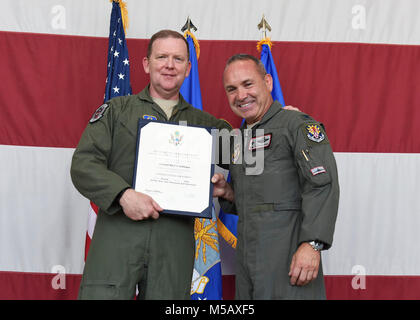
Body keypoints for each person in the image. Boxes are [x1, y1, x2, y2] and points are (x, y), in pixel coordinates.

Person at [70, 29, 231, 300]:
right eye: (162, 57)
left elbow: (253, 159)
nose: (170, 65)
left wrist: (279, 120)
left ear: (188, 68)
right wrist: (123, 195)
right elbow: (83, 165)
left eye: (178, 59)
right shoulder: (116, 111)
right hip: (118, 237)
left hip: (174, 245)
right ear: (146, 64)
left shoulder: (210, 126)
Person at [212, 54, 340, 299]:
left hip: (289, 260)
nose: (241, 95)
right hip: (248, 261)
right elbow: (259, 199)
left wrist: (312, 244)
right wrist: (228, 193)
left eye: (248, 84)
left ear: (267, 82)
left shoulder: (296, 125)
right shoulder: (242, 138)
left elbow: (322, 185)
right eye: (232, 89)